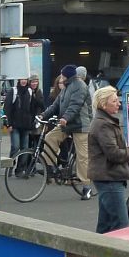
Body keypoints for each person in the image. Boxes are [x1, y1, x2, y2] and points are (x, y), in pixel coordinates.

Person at [88, 86, 129, 233]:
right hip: (109, 177)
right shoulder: (103, 124)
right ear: (104, 104)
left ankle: (95, 254)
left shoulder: (104, 121)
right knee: (121, 226)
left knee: (105, 225)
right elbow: (114, 154)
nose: (119, 103)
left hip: (107, 176)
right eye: (114, 100)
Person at [41, 65, 93, 200]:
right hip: (67, 123)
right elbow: (56, 105)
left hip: (81, 125)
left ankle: (86, 187)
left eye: (62, 75)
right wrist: (43, 115)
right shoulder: (66, 87)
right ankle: (51, 167)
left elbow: (75, 105)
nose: (61, 77)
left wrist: (65, 118)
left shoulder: (80, 86)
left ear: (67, 76)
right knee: (49, 137)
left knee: (83, 157)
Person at [5, 76, 35, 157]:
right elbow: (7, 108)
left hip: (26, 125)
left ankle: (20, 168)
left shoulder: (30, 91)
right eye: (22, 79)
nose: (24, 81)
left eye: (25, 79)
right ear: (18, 80)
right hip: (15, 125)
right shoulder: (13, 91)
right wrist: (9, 124)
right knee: (15, 147)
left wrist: (31, 122)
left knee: (25, 149)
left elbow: (32, 109)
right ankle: (10, 166)